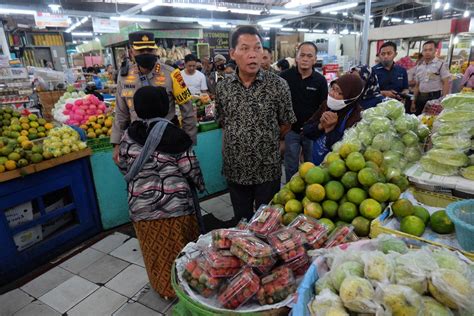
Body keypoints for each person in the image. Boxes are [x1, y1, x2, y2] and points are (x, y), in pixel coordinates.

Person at [118, 85, 205, 300]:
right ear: (164, 106)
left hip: (141, 207)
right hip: (175, 207)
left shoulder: (128, 134)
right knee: (180, 249)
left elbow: (123, 165)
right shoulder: (175, 134)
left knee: (154, 251)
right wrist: (201, 185)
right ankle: (185, 288)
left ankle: (162, 287)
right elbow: (189, 167)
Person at [215, 26, 296, 224]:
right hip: (236, 167)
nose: (252, 55)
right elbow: (223, 122)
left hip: (267, 167)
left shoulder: (278, 85)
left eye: (257, 48)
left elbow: (286, 123)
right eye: (245, 49)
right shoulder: (223, 87)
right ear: (233, 54)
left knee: (267, 223)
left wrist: (264, 140)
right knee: (241, 221)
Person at [111, 31, 197, 165]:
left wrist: (188, 142)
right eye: (141, 50)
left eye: (149, 49)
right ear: (132, 51)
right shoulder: (124, 77)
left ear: (155, 50)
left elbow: (188, 110)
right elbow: (121, 113)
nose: (146, 53)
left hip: (167, 140)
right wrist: (116, 143)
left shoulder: (173, 74)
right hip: (137, 141)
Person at [280, 42, 328, 182]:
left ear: (314, 59)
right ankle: (291, 194)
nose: (305, 59)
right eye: (302, 55)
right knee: (290, 166)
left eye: (309, 56)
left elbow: (324, 106)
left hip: (312, 132)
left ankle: (311, 194)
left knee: (312, 166)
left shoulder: (320, 81)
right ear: (296, 57)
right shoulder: (285, 77)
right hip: (291, 131)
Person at [303, 74, 364, 164]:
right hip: (316, 162)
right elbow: (306, 130)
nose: (332, 94)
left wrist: (330, 130)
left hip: (338, 166)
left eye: (339, 93)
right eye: (332, 88)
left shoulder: (357, 116)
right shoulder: (326, 105)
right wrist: (320, 126)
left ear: (351, 97)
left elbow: (347, 151)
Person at [411, 41, 450, 115]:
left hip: (434, 98)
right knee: (418, 119)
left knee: (431, 120)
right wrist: (413, 101)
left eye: (430, 49)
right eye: (425, 50)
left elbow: (446, 83)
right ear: (422, 52)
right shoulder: (419, 66)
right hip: (420, 97)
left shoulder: (441, 64)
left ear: (435, 50)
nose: (427, 52)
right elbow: (417, 86)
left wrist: (443, 101)